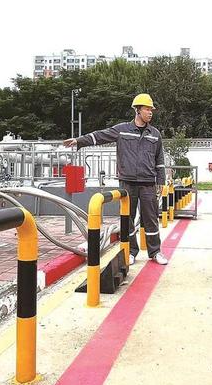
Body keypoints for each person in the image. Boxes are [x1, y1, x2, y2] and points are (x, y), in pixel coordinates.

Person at [63, 93, 169, 265]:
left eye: (151, 110)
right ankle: (131, 251)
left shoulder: (155, 134)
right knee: (127, 218)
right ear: (137, 110)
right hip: (127, 182)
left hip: (148, 182)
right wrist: (79, 140)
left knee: (151, 218)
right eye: (147, 109)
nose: (150, 112)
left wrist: (161, 181)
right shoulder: (123, 130)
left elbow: (160, 160)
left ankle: (155, 252)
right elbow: (100, 136)